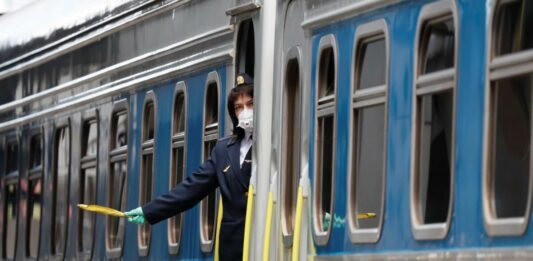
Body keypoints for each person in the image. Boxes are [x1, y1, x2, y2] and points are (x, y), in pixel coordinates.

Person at [124, 74, 254, 261]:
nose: (245, 112)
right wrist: (149, 211)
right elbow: (190, 189)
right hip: (232, 251)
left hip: (262, 242)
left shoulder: (271, 143)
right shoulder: (223, 150)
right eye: (238, 107)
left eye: (250, 104)